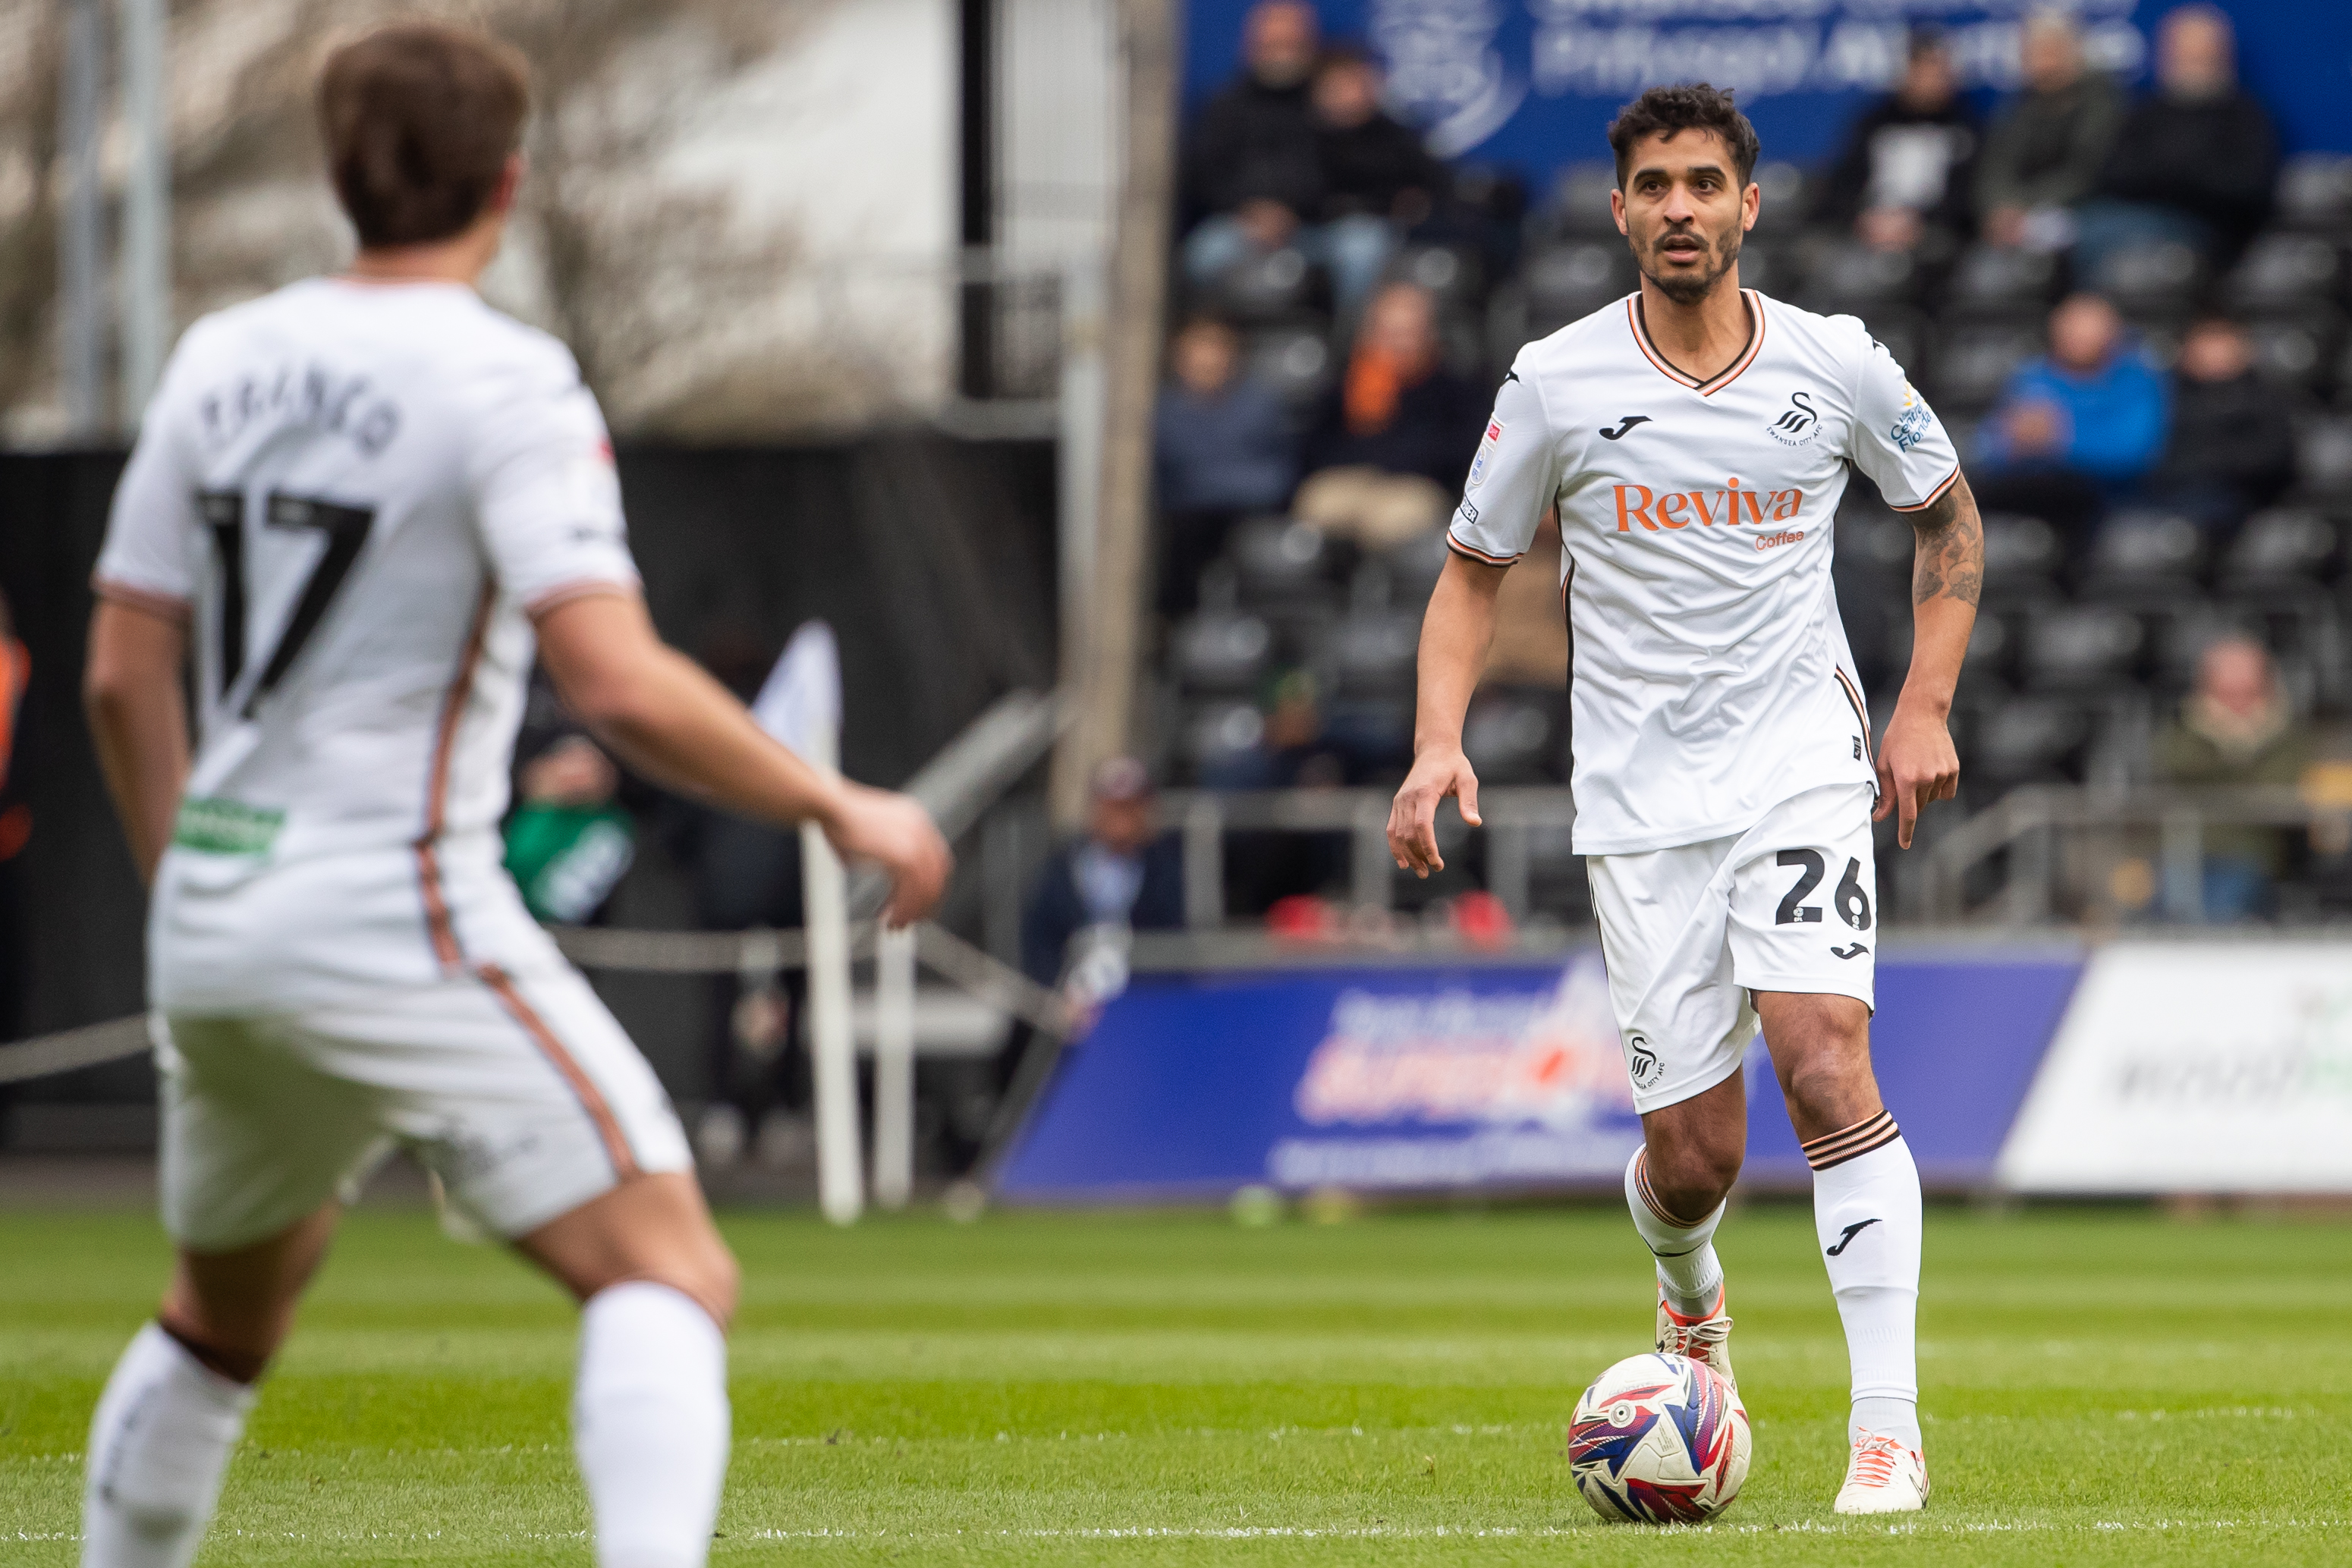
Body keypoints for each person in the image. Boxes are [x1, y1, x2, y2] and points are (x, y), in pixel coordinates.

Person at [75, 24, 951, 1568]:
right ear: (509, 180)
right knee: (667, 1269)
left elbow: (117, 674)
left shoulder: (220, 358)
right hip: (389, 899)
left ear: (341, 177)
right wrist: (837, 800)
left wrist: (183, 892)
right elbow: (613, 679)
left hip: (215, 905)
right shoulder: (505, 379)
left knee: (220, 1323)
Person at [1389, 83, 1980, 1515]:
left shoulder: (1833, 362)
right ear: (1619, 211)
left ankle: (1886, 1433)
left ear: (1748, 206)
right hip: (1640, 800)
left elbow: (1948, 516)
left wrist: (1921, 707)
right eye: (1653, 185)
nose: (1678, 209)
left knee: (1827, 1060)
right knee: (1692, 1155)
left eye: (1704, 183)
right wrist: (1434, 742)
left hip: (1800, 763)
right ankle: (1688, 1297)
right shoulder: (1554, 380)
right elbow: (1472, 571)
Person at [1180, 3, 1393, 325]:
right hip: (1244, 226)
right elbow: (1204, 176)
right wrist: (1250, 210)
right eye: (1273, 44)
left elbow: (1361, 177)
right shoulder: (1226, 106)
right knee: (1204, 254)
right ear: (1251, 45)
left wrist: (1303, 210)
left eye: (1291, 43)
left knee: (1365, 246)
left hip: (1318, 228)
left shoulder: (1332, 103)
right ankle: (1212, 350)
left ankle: (1348, 354)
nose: (1282, 53)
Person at [2075, 5, 2278, 284]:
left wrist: (2170, 177)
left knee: (2109, 239)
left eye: (2201, 56)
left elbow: (2247, 190)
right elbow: (2111, 175)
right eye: (2182, 54)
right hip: (2133, 219)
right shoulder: (2146, 112)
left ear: (2222, 56)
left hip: (2207, 231)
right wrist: (2177, 174)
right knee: (2087, 228)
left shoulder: (2244, 117)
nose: (2190, 63)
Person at [1294, 280, 1487, 547]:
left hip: (1415, 485)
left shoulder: (1453, 387)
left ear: (1429, 334)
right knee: (1319, 505)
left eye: (1410, 332)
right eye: (1390, 333)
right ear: (1370, 334)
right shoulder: (1349, 381)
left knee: (1391, 521)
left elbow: (1464, 453)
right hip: (1352, 479)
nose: (1400, 344)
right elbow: (1315, 446)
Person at [1973, 292, 2168, 541]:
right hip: (2026, 493)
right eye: (2071, 331)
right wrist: (2012, 441)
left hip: (2102, 501)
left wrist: (2060, 438)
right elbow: (1986, 444)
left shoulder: (2137, 380)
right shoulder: (2032, 376)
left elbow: (2136, 453)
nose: (2078, 340)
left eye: (2088, 333)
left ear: (2113, 336)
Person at [2152, 636, 2315, 921]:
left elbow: (2279, 785)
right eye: (2226, 692)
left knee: (2221, 914)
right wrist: (2239, 755)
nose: (2237, 703)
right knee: (2164, 915)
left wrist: (2226, 755)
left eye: (2247, 691)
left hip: (2253, 853)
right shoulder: (2186, 727)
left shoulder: (2286, 734)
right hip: (2185, 850)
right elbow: (2177, 767)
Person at [1154, 315, 1298, 614]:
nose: (1208, 359)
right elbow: (1178, 476)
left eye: (1217, 348)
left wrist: (1217, 484)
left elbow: (1277, 476)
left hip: (1251, 514)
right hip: (1187, 520)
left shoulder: (1259, 404)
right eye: (1198, 349)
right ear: (1179, 356)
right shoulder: (1165, 412)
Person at [1019, 758, 1184, 993]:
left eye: (1129, 808)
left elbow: (1178, 944)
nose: (1121, 820)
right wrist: (1058, 992)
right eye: (1112, 808)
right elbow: (1041, 941)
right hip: (1071, 999)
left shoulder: (1166, 868)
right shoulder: (1061, 868)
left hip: (1145, 998)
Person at [1816, 30, 1981, 255]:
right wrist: (1864, 219)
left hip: (1932, 234)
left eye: (1938, 71)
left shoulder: (1967, 129)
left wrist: (1918, 222)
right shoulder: (1874, 124)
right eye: (1922, 70)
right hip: (1867, 228)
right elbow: (1843, 183)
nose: (1931, 80)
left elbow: (1968, 196)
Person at [1973, 12, 2125, 252]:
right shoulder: (2016, 106)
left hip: (2078, 211)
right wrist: (2001, 207)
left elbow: (2085, 172)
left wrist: (2024, 206)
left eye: (2052, 51)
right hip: (2013, 218)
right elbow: (1995, 169)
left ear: (2074, 53)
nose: (2045, 63)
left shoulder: (2100, 102)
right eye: (2034, 52)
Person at [2149, 316, 2297, 529]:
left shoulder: (2266, 397)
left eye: (2222, 349)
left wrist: (2217, 461)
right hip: (2176, 500)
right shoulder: (2166, 397)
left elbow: (2275, 454)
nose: (2215, 359)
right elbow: (2157, 457)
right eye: (2206, 349)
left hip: (2251, 502)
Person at [1310, 45, 1444, 240]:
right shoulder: (1305, 134)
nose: (1353, 91)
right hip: (1310, 230)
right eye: (1342, 83)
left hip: (1382, 231)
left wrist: (1412, 199)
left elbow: (1432, 182)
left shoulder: (1394, 134)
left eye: (1358, 81)